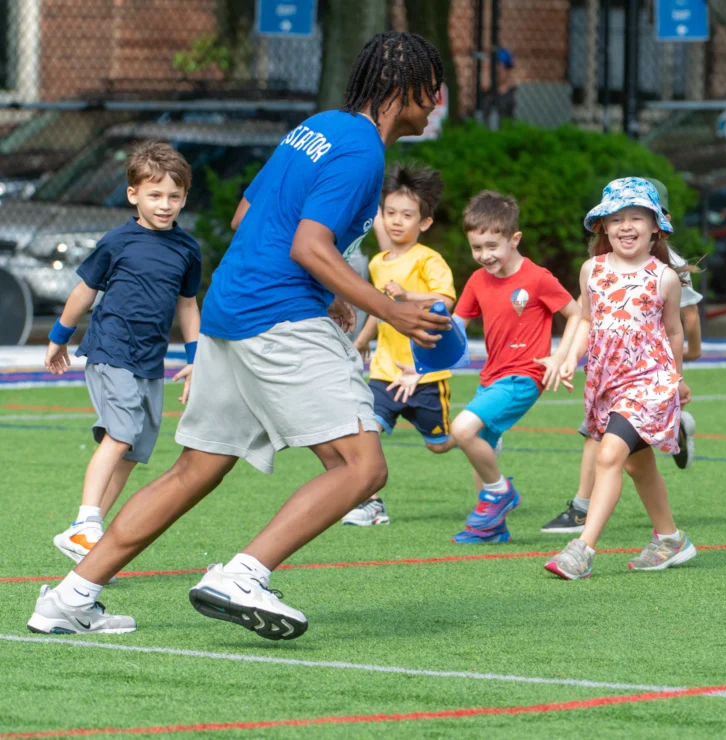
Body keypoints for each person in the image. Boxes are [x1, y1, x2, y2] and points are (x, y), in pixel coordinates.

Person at [27, 32, 449, 639]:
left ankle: (69, 598)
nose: (436, 99)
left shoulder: (320, 126)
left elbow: (246, 217)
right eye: (431, 85)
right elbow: (309, 245)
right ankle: (244, 575)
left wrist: (331, 292)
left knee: (194, 469)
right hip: (277, 315)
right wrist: (393, 310)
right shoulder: (363, 152)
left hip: (231, 307)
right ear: (401, 86)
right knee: (362, 468)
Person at [43, 141, 201, 568]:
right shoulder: (117, 242)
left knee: (132, 451)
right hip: (110, 349)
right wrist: (60, 337)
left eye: (174, 196)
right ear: (133, 194)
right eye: (155, 195)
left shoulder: (188, 249)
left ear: (185, 197)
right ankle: (85, 520)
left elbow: (187, 305)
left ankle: (87, 540)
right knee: (121, 432)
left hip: (150, 360)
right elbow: (83, 291)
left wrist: (195, 356)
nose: (165, 204)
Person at [543, 178, 695, 580]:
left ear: (655, 227)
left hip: (649, 382)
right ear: (603, 227)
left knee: (610, 455)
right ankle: (670, 539)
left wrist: (676, 381)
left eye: (637, 218)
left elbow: (674, 332)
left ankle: (582, 550)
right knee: (637, 466)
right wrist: (566, 359)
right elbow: (587, 322)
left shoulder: (663, 278)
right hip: (606, 385)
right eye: (618, 219)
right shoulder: (591, 271)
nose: (627, 226)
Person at [449, 191, 583, 544]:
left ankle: (500, 491)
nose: (483, 256)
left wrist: (561, 356)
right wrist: (421, 353)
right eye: (476, 248)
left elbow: (577, 314)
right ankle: (492, 527)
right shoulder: (478, 280)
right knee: (482, 447)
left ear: (514, 238)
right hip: (491, 376)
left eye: (492, 245)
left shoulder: (538, 278)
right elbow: (456, 326)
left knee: (462, 429)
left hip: (525, 375)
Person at [341, 162, 456, 527]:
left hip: (424, 373)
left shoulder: (429, 260)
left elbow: (446, 301)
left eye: (406, 215)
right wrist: (361, 340)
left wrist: (409, 294)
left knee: (438, 445)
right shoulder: (377, 262)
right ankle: (371, 504)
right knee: (367, 431)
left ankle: (474, 435)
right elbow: (380, 310)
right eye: (390, 213)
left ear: (424, 223)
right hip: (385, 371)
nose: (396, 221)